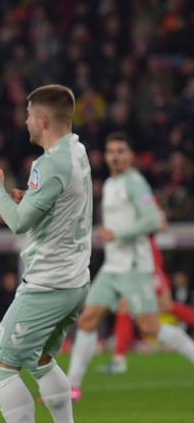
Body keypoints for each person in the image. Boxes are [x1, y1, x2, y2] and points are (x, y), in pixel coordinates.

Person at [0, 84, 92, 423]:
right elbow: (59, 202)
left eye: (28, 115)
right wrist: (28, 196)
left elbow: (18, 224)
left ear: (42, 119)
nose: (25, 121)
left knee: (1, 369)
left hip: (47, 284)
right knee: (41, 359)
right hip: (75, 283)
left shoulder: (49, 163)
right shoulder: (76, 150)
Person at [66, 131, 194, 401]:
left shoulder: (135, 183)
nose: (115, 156)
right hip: (113, 267)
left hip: (135, 266)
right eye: (111, 151)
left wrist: (117, 234)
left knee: (150, 326)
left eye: (120, 151)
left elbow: (152, 221)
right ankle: (71, 387)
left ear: (130, 156)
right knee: (88, 320)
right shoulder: (112, 184)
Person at [98, 200, 194, 375]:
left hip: (148, 264)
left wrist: (129, 229)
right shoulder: (120, 196)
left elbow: (162, 225)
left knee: (164, 307)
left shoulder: (144, 197)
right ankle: (119, 360)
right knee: (125, 307)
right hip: (132, 264)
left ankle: (119, 360)